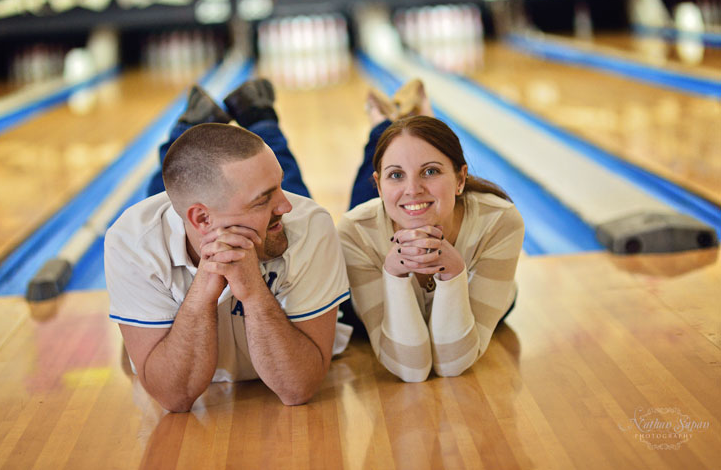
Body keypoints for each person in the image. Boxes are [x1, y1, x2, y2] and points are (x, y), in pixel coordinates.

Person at [105, 79, 350, 411]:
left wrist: (252, 290)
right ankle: (190, 126)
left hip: (215, 209)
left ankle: (258, 117)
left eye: (278, 191)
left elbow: (297, 388)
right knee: (173, 183)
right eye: (263, 200)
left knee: (284, 186)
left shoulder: (308, 225)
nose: (286, 205)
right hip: (186, 214)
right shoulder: (133, 241)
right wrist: (205, 287)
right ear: (203, 221)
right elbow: (173, 397)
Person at [338, 80, 525, 382]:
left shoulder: (499, 221)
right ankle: (383, 123)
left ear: (462, 179)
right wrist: (394, 275)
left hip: (473, 295)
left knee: (408, 183)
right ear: (380, 185)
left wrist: (454, 275)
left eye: (431, 171)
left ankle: (411, 125)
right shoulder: (355, 232)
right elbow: (410, 371)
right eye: (395, 176)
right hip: (378, 232)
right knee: (382, 201)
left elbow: (451, 365)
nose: (413, 187)